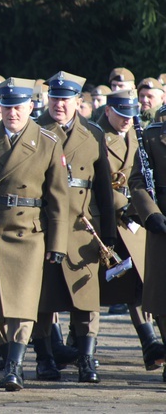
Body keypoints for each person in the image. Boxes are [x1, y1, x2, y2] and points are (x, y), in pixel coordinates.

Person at [0, 77, 69, 391]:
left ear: (30, 106)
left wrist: (57, 242)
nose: (12, 113)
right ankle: (7, 354)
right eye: (6, 107)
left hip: (29, 231)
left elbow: (58, 198)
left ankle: (15, 367)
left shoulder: (47, 142)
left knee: (22, 304)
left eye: (19, 106)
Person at [34, 71, 116, 383]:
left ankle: (86, 359)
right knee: (43, 297)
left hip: (84, 226)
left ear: (77, 102)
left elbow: (105, 188)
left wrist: (108, 231)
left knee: (86, 298)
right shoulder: (36, 130)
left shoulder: (93, 133)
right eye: (54, 98)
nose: (59, 104)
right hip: (44, 224)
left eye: (65, 99)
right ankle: (44, 359)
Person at [96, 89, 165, 370]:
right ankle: (81, 344)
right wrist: (141, 210)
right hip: (117, 218)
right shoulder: (97, 135)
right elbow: (102, 181)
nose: (126, 121)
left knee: (144, 284)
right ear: (108, 110)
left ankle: (150, 342)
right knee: (134, 285)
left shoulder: (139, 134)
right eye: (121, 114)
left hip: (137, 220)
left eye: (130, 115)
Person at [129, 101, 166, 383]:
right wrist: (150, 212)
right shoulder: (152, 136)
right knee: (162, 294)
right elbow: (138, 181)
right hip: (162, 221)